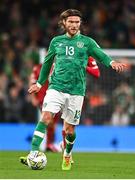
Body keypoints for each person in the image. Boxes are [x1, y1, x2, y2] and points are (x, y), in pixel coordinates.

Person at [20, 9, 126, 171]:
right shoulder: (56, 41)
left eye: (77, 22)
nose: (74, 25)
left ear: (80, 24)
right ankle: (33, 153)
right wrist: (40, 84)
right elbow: (47, 63)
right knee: (46, 117)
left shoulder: (87, 42)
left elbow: (100, 54)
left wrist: (112, 63)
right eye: (71, 22)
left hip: (77, 91)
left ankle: (67, 154)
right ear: (64, 23)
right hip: (56, 88)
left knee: (69, 130)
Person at [29, 56, 100, 152]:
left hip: (74, 95)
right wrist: (34, 97)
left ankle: (63, 147)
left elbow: (96, 73)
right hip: (51, 96)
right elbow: (32, 81)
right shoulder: (41, 67)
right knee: (48, 120)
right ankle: (38, 149)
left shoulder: (82, 53)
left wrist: (82, 66)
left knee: (67, 127)